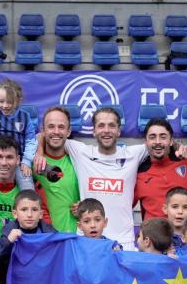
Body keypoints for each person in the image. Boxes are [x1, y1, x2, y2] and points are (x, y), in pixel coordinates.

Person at [49, 107, 148, 250]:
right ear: (93, 131)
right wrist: (39, 153)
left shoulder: (134, 153)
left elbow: (162, 142)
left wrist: (179, 147)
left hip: (123, 241)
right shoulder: (80, 151)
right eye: (101, 125)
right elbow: (44, 135)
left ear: (119, 131)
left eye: (111, 125)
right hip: (87, 240)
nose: (106, 130)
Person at [135, 118, 187, 220]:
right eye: (152, 137)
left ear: (171, 141)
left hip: (185, 233)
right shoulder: (137, 172)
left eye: (163, 137)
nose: (158, 142)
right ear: (145, 142)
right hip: (153, 234)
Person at [0, 190, 57, 275]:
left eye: (34, 210)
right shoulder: (9, 233)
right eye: (24, 209)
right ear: (15, 214)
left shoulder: (50, 235)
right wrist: (8, 242)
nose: (29, 214)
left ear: (40, 214)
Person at [33, 106, 80, 232]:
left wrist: (84, 206)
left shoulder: (79, 161)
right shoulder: (32, 162)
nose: (56, 131)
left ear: (69, 131)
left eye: (61, 127)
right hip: (44, 240)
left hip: (73, 238)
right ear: (43, 130)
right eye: (51, 126)